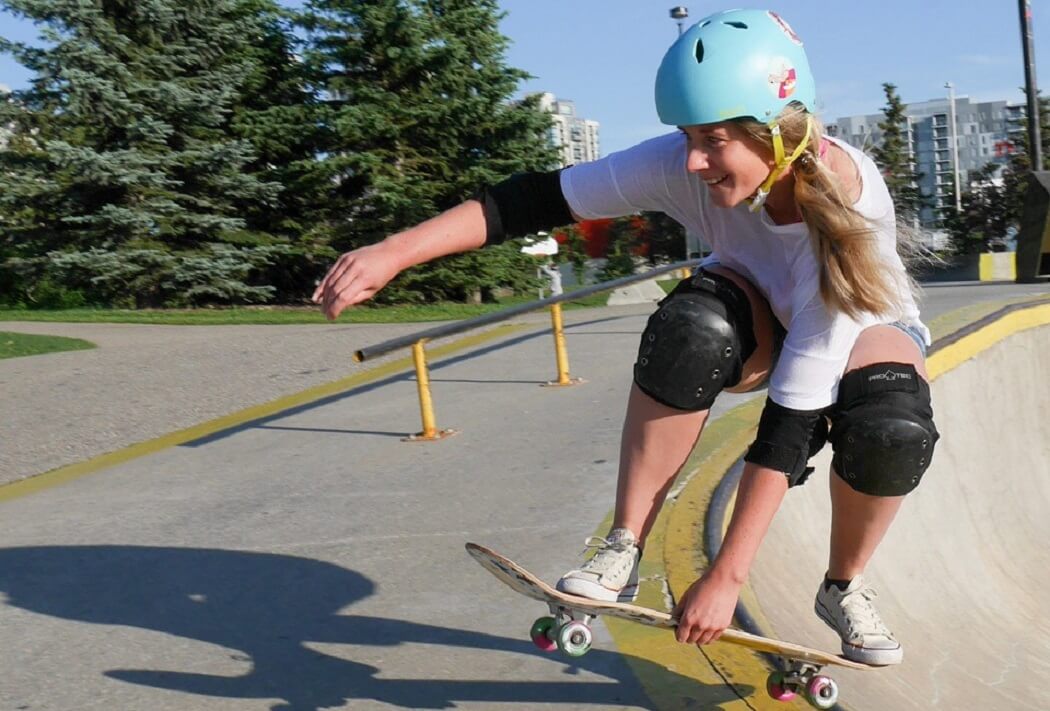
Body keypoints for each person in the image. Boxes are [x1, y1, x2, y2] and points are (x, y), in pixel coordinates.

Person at [312, 9, 939, 666]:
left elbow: (790, 424)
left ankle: (844, 582)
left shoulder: (845, 215)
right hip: (756, 307)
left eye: (714, 140)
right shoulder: (679, 163)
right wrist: (391, 252)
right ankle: (623, 545)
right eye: (686, 137)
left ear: (775, 134)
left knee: (890, 426)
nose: (693, 160)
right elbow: (530, 201)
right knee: (690, 329)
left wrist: (727, 575)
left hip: (864, 325)